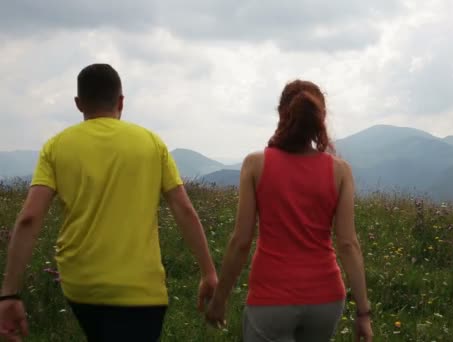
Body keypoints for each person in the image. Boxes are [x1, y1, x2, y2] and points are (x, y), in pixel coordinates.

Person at [0, 63, 218, 342]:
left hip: (80, 286)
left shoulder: (55, 146)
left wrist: (9, 293)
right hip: (139, 289)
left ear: (78, 104)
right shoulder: (151, 142)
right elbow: (184, 209)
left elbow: (30, 217)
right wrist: (209, 272)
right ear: (121, 101)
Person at [205, 80, 373, 341]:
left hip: (271, 299)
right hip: (325, 298)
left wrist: (219, 299)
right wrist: (363, 313)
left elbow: (241, 242)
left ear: (282, 114)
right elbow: (348, 244)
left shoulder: (255, 165)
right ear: (321, 118)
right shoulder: (340, 171)